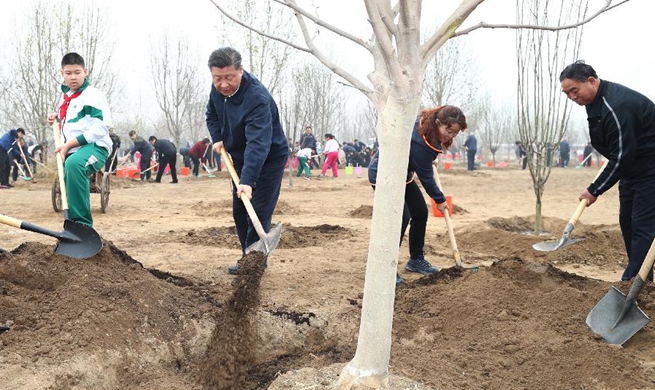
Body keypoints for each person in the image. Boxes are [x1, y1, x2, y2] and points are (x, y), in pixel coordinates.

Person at [560, 61, 655, 281]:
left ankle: (632, 282)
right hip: (633, 170)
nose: (572, 97)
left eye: (574, 90)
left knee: (642, 228)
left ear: (591, 81)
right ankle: (643, 280)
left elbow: (621, 156)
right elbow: (618, 153)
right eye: (567, 94)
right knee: (628, 223)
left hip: (650, 169)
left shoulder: (617, 105)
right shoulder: (597, 102)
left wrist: (595, 189)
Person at [205, 47, 288, 274]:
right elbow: (211, 114)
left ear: (240, 70)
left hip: (268, 158)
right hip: (240, 157)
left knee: (258, 211)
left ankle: (253, 270)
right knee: (240, 212)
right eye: (217, 78)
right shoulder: (217, 92)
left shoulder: (257, 99)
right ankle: (248, 259)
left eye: (229, 77)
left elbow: (259, 143)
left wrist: (248, 181)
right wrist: (218, 138)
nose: (223, 84)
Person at [369, 105, 468, 286]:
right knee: (402, 216)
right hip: (384, 175)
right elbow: (426, 178)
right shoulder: (421, 144)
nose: (450, 136)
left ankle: (415, 260)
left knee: (420, 212)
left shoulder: (426, 126)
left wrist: (430, 158)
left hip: (402, 175)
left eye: (455, 133)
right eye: (448, 130)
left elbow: (420, 158)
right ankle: (386, 267)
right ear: (438, 122)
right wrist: (439, 200)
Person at [47, 52, 112, 226]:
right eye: (68, 73)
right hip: (73, 149)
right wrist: (57, 119)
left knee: (74, 165)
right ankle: (74, 226)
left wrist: (68, 145)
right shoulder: (65, 97)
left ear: (85, 71)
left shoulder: (93, 95)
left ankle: (82, 226)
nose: (73, 77)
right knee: (70, 171)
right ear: (62, 73)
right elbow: (74, 124)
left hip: (95, 146)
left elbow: (101, 126)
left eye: (77, 72)